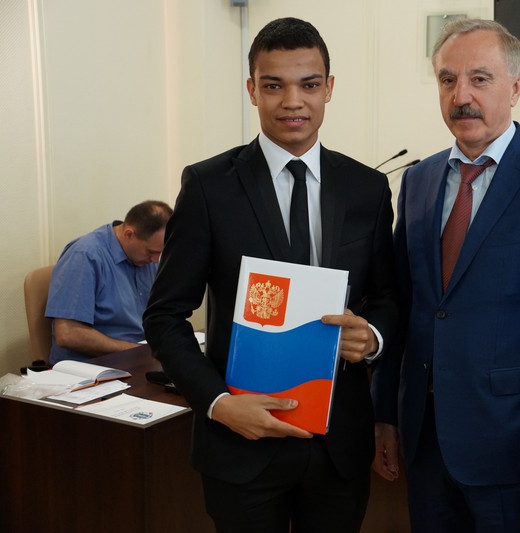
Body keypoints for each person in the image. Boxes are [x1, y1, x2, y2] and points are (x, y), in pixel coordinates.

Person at [142, 17, 397, 533]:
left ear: (329, 88)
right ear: (252, 90)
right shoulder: (209, 186)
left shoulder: (367, 188)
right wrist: (217, 404)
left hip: (338, 444)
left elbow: (389, 295)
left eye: (309, 84)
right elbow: (165, 316)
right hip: (240, 440)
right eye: (274, 85)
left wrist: (372, 336)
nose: (292, 102)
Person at [371, 19, 520, 532]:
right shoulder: (418, 181)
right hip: (425, 442)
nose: (461, 95)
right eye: (447, 79)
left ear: (516, 87)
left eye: (480, 79)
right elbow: (406, 307)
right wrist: (385, 414)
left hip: (516, 450)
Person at [45, 200, 172, 363]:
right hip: (91, 367)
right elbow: (68, 334)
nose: (155, 260)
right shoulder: (85, 256)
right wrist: (139, 352)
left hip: (139, 357)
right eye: (150, 252)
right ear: (129, 234)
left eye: (160, 253)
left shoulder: (147, 259)